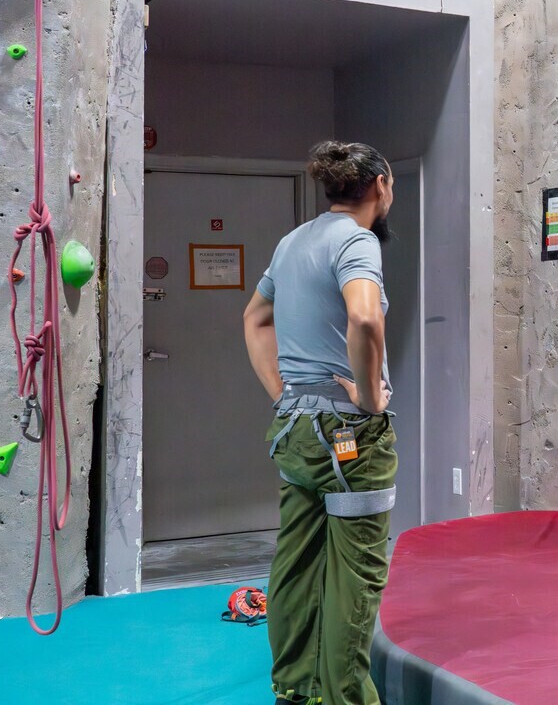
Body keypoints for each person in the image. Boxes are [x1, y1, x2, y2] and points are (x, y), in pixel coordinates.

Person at [243, 141, 397, 705]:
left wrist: (285, 394)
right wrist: (371, 397)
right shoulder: (357, 241)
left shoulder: (292, 242)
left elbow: (255, 318)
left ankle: (294, 691)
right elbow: (363, 316)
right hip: (351, 435)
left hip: (298, 433)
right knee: (355, 577)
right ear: (380, 185)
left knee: (297, 563)